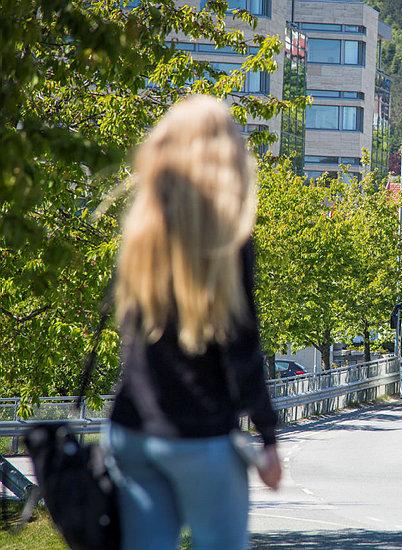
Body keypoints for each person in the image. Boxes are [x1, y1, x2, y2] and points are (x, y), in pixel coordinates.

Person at [107, 95, 281, 550]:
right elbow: (242, 345)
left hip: (133, 430)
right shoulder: (229, 236)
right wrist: (267, 435)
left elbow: (131, 337)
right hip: (201, 435)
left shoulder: (142, 229)